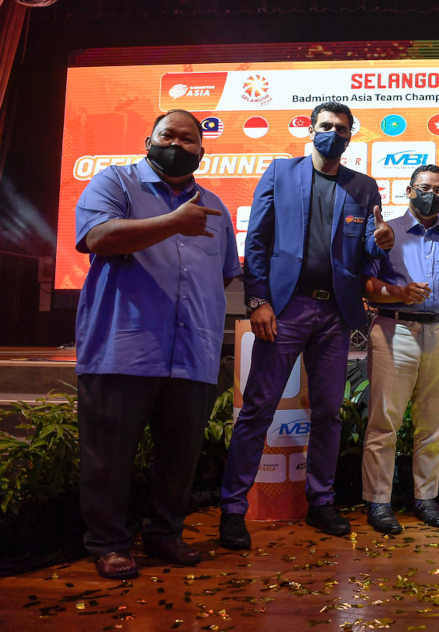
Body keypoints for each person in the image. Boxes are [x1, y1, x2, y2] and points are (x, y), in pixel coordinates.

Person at [219, 101, 394, 549]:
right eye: (325, 126)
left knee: (329, 414)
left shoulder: (363, 187)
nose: (332, 133)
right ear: (311, 129)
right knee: (258, 408)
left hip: (335, 314)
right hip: (285, 310)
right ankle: (233, 509)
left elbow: (366, 259)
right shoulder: (280, 173)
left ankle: (321, 502)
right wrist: (256, 301)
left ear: (351, 136)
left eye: (341, 128)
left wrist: (382, 247)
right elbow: (256, 242)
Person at [75, 110, 242, 579]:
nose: (178, 144)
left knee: (180, 457)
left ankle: (166, 534)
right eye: (169, 135)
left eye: (189, 139)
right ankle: (109, 543)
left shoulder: (214, 207)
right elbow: (98, 238)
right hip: (122, 349)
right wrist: (173, 222)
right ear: (149, 139)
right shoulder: (115, 183)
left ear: (201, 151)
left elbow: (227, 272)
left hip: (193, 354)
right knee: (108, 457)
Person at [360, 164, 439, 534]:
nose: (433, 194)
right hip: (393, 328)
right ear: (409, 190)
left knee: (433, 423)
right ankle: (379, 501)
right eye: (425, 187)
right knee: (385, 422)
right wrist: (398, 292)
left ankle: (426, 498)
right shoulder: (388, 232)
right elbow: (365, 285)